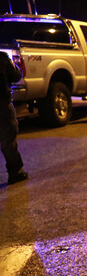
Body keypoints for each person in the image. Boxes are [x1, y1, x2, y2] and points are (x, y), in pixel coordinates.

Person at [0, 51, 27, 185]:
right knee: (8, 138)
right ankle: (15, 172)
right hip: (2, 105)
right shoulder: (2, 58)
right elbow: (16, 75)